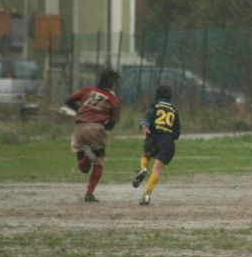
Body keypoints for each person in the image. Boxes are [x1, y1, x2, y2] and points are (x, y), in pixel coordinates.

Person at [65, 68, 121, 202]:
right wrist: (103, 124)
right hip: (96, 129)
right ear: (113, 84)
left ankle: (87, 154)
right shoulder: (114, 100)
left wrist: (81, 111)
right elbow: (112, 125)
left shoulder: (86, 90)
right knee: (98, 163)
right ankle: (89, 193)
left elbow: (68, 100)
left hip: (79, 127)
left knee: (84, 168)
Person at [132, 85, 181, 206]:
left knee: (146, 155)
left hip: (154, 137)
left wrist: (144, 125)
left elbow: (147, 118)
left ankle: (143, 169)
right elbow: (177, 132)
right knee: (156, 169)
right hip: (168, 141)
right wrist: (169, 136)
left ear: (157, 95)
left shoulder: (154, 106)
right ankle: (147, 196)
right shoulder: (174, 110)